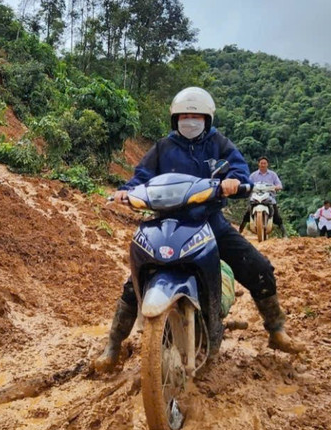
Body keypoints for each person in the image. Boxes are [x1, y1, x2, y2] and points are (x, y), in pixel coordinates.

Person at [91, 87, 305, 375]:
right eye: (184, 116)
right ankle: (113, 346)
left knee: (258, 267)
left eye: (196, 116)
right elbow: (141, 177)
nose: (190, 121)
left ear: (207, 118)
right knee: (134, 283)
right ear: (175, 119)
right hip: (164, 220)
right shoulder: (163, 148)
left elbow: (238, 169)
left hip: (208, 220)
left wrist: (233, 181)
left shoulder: (219, 144)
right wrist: (125, 192)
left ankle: (276, 329)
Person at [239, 156, 289, 237]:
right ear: (258, 164)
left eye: (264, 163)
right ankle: (240, 231)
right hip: (255, 196)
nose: (263, 165)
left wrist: (277, 187)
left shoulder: (273, 175)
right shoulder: (253, 175)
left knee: (276, 215)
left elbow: (279, 184)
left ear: (267, 164)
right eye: (261, 163)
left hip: (269, 197)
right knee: (247, 214)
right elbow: (248, 183)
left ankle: (284, 233)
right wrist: (246, 188)